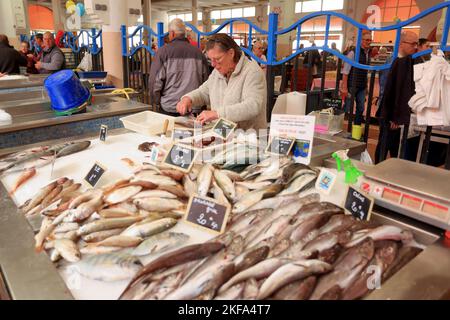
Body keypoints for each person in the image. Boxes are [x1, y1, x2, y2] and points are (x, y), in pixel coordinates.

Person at [176, 33, 267, 131]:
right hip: (223, 135)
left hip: (249, 139)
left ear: (231, 53)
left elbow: (252, 106)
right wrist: (188, 99)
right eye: (211, 60)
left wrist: (217, 114)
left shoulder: (252, 72)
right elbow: (204, 92)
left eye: (218, 59)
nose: (214, 64)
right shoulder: (217, 72)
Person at [148, 19, 209, 116]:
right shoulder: (198, 53)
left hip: (170, 108)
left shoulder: (163, 53)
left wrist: (157, 101)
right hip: (194, 108)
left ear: (171, 33)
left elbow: (154, 82)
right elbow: (206, 81)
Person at [375, 31, 419, 163]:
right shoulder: (395, 61)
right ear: (401, 44)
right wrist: (392, 116)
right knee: (385, 145)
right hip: (391, 114)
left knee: (394, 147)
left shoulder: (407, 61)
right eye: (413, 44)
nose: (415, 47)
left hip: (395, 113)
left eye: (417, 44)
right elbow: (388, 90)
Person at [341, 31, 372, 125]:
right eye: (367, 40)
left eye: (370, 40)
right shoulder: (353, 52)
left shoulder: (368, 53)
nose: (369, 42)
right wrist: (344, 87)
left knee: (361, 108)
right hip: (352, 85)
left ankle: (356, 128)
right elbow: (345, 71)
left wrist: (366, 86)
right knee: (348, 108)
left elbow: (365, 72)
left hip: (362, 86)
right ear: (361, 41)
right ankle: (343, 127)